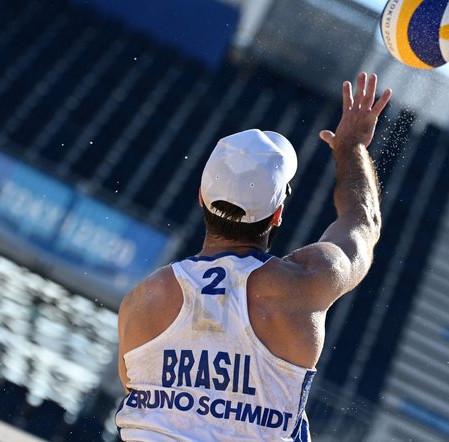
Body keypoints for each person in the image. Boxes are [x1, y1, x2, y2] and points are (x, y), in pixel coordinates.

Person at [115, 72, 392, 441]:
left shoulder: (142, 301)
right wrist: (351, 148)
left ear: (201, 196)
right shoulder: (304, 286)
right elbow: (363, 221)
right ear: (277, 214)